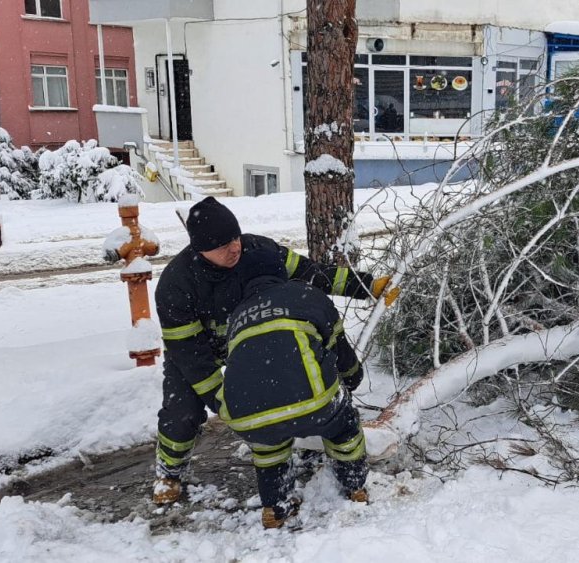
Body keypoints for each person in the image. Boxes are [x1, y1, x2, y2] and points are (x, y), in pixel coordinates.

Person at [152, 197, 397, 505]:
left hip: (253, 340)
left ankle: (301, 438)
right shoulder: (176, 285)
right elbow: (190, 357)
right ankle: (168, 472)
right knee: (182, 412)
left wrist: (367, 285)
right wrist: (224, 403)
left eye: (235, 238)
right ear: (200, 250)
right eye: (222, 246)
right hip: (202, 351)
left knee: (286, 385)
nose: (234, 249)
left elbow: (313, 274)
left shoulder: (260, 251)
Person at [218, 249, 368, 529]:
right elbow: (339, 348)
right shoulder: (306, 296)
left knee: (268, 445)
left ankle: (274, 507)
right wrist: (351, 379)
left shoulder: (237, 315)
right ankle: (354, 487)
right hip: (312, 402)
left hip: (247, 416)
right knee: (344, 424)